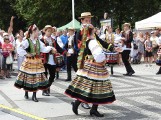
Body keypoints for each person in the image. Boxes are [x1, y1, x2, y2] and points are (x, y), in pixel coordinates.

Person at [65, 24, 116, 117]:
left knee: (95, 88)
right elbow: (99, 56)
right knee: (92, 87)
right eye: (94, 29)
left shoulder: (90, 39)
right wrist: (105, 58)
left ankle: (93, 109)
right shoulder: (92, 41)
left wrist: (111, 48)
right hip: (94, 65)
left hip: (92, 65)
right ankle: (78, 104)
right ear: (92, 31)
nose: (96, 30)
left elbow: (102, 45)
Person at [14, 24, 56, 102]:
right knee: (28, 77)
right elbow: (19, 48)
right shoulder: (27, 41)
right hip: (29, 61)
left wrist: (50, 48)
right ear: (33, 32)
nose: (38, 33)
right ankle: (26, 92)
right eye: (37, 31)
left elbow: (44, 49)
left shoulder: (38, 41)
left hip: (37, 61)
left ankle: (34, 95)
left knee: (35, 78)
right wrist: (26, 54)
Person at [40, 25, 66, 96]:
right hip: (44, 60)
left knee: (52, 76)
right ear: (45, 31)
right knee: (45, 75)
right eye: (48, 31)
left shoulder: (53, 40)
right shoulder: (41, 40)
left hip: (52, 60)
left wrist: (65, 52)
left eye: (50, 31)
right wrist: (51, 51)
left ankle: (47, 86)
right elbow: (41, 50)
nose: (49, 33)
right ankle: (44, 90)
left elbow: (58, 48)